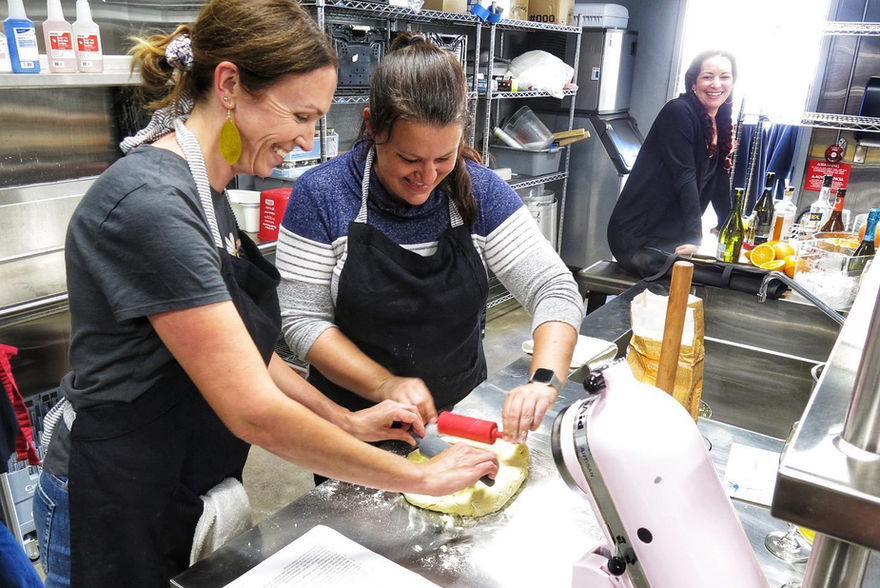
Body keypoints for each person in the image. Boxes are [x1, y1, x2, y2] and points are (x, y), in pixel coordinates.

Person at [32, 2, 498, 587]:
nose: (306, 141)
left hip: (175, 483)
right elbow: (250, 405)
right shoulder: (151, 205)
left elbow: (250, 356)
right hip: (110, 492)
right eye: (300, 115)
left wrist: (345, 423)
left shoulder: (208, 191)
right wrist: (417, 477)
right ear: (229, 85)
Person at [276, 33, 584, 448]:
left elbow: (554, 287)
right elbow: (300, 320)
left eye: (444, 158)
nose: (426, 176)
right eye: (408, 159)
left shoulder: (482, 193)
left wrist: (544, 379)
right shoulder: (323, 195)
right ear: (371, 126)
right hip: (359, 424)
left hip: (462, 419)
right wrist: (384, 384)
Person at [607, 49, 737, 277]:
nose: (716, 84)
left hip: (672, 234)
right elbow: (683, 175)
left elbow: (719, 178)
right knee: (713, 277)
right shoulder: (678, 112)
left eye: (724, 77)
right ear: (693, 83)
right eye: (707, 76)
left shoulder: (720, 118)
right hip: (640, 237)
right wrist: (694, 236)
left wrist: (733, 227)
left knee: (726, 272)